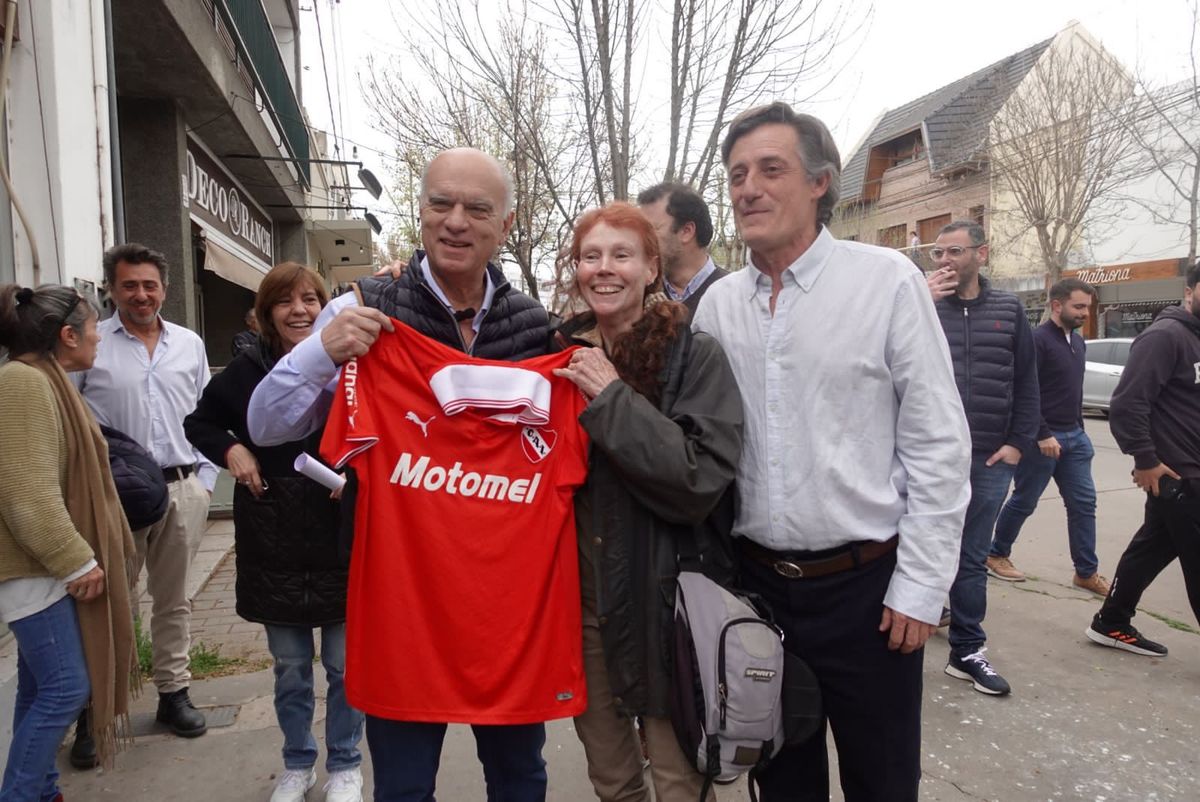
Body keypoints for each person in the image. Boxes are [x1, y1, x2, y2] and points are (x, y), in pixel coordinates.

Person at [247, 148, 551, 801]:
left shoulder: (538, 331)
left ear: (507, 222)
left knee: (521, 778)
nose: (456, 222)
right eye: (441, 203)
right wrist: (320, 355)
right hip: (400, 605)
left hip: (505, 613)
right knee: (405, 787)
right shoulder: (362, 310)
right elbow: (264, 425)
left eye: (477, 208)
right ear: (419, 209)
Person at [691, 102, 971, 802]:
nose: (747, 188)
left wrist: (922, 587)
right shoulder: (720, 307)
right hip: (759, 598)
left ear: (820, 182)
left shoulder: (886, 283)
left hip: (869, 597)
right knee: (782, 786)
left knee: (881, 783)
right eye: (736, 175)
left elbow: (938, 443)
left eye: (769, 169)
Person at [552, 202, 742, 801]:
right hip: (587, 610)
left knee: (681, 780)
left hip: (670, 607)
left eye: (621, 255)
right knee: (612, 779)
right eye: (590, 256)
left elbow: (697, 481)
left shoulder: (693, 353)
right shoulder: (557, 354)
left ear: (652, 267)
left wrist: (611, 398)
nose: (604, 270)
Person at [184, 263, 365, 802]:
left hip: (338, 533)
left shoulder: (350, 366)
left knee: (344, 665)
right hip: (274, 536)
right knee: (290, 667)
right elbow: (201, 422)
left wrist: (357, 480)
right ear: (266, 313)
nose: (301, 310)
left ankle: (347, 765)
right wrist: (232, 449)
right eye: (286, 302)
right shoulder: (245, 372)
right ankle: (296, 763)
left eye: (311, 299)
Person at [0, 283, 137, 800]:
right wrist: (77, 561)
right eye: (93, 324)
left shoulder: (44, 379)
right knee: (66, 689)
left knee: (39, 687)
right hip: (33, 570)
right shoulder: (24, 384)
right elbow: (24, 493)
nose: (99, 335)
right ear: (66, 334)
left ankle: (40, 789)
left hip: (40, 569)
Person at [74, 243, 216, 737]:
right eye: (129, 285)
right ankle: (101, 710)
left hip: (182, 488)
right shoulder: (90, 344)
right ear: (112, 288)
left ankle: (172, 694)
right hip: (115, 495)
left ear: (165, 289)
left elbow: (205, 416)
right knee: (115, 601)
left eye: (149, 285)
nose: (140, 294)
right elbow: (73, 420)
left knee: (173, 599)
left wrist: (205, 481)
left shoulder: (189, 344)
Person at [927, 221, 1040, 696]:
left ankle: (967, 650)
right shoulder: (920, 303)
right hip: (930, 455)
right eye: (937, 253)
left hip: (990, 457)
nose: (945, 260)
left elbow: (1028, 382)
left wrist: (1018, 442)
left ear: (981, 253)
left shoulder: (1009, 309)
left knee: (972, 558)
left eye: (954, 251)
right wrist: (920, 300)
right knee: (912, 547)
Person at [1086, 262, 1200, 656]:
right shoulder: (1165, 337)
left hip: (1188, 468)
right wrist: (1146, 459)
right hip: (1178, 472)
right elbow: (1127, 404)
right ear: (1190, 291)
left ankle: (1112, 621)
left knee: (1152, 547)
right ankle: (1112, 621)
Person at [991, 279, 1110, 596]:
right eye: (1079, 306)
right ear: (1057, 305)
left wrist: (1080, 430)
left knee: (1084, 504)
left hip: (1075, 439)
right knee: (1025, 501)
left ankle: (1086, 572)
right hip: (1041, 440)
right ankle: (996, 553)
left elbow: (1073, 391)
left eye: (1088, 307)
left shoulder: (1079, 343)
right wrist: (1043, 433)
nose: (1085, 313)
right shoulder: (1037, 341)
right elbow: (1025, 391)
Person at [636, 183, 729, 316]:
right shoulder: (640, 296)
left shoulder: (735, 295)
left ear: (686, 231)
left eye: (651, 229)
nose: (640, 239)